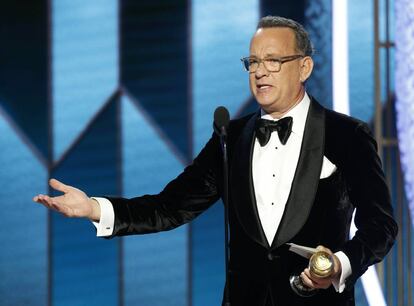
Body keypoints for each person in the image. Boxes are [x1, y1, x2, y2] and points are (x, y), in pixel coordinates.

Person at [33, 16, 397, 306]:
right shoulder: (230, 136)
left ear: (304, 68)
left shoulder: (347, 134)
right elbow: (170, 207)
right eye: (252, 61)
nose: (260, 71)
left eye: (273, 60)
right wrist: (93, 209)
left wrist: (338, 264)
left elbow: (380, 226)